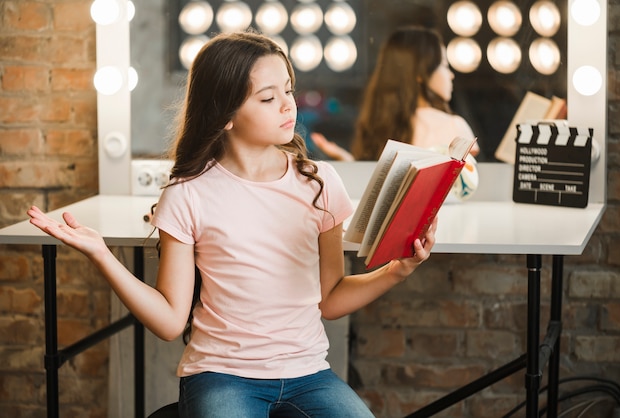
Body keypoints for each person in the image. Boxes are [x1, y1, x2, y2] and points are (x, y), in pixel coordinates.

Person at [27, 30, 436, 418]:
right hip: (222, 375)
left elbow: (330, 299)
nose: (288, 105)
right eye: (267, 98)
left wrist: (398, 270)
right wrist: (101, 254)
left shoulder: (320, 182)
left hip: (308, 374)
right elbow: (171, 321)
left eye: (289, 91)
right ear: (225, 115)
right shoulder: (188, 194)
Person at [311, 25, 480, 161]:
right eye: (444, 65)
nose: (451, 75)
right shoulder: (454, 126)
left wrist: (350, 163)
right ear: (421, 73)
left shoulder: (377, 126)